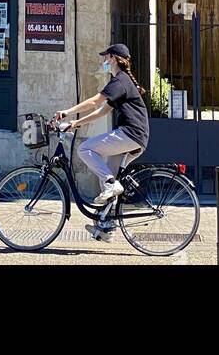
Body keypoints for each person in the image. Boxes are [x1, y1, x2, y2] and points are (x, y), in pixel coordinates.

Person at [53, 41, 150, 239]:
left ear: (114, 59)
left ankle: (111, 185)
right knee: (106, 176)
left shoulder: (120, 81)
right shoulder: (122, 82)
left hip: (130, 134)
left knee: (86, 149)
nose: (104, 61)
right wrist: (75, 124)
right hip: (135, 137)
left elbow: (95, 101)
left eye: (106, 57)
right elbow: (102, 111)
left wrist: (67, 112)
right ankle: (106, 227)